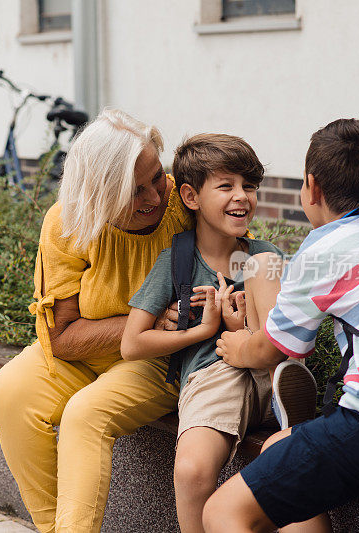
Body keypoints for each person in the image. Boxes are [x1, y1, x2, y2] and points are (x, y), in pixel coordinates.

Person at [203, 118, 359, 533]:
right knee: (280, 451)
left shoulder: (327, 250)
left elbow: (274, 349)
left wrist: (235, 344)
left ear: (312, 187)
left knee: (224, 513)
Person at [0, 108, 194, 533]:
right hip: (83, 353)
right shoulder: (67, 223)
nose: (155, 197)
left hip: (155, 361)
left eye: (157, 176)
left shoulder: (183, 205)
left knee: (85, 415)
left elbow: (241, 253)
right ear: (99, 192)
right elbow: (61, 338)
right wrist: (148, 321)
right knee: (9, 393)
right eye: (134, 191)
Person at [121, 133, 285, 533]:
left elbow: (287, 326)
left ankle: (283, 390)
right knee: (192, 470)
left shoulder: (267, 255)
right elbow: (132, 344)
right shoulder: (177, 260)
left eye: (249, 186)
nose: (242, 196)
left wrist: (242, 329)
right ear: (192, 197)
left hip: (271, 370)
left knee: (263, 264)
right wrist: (205, 331)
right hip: (215, 375)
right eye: (227, 185)